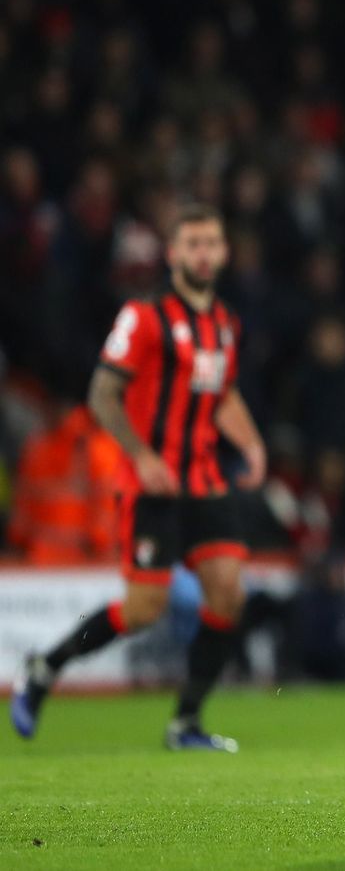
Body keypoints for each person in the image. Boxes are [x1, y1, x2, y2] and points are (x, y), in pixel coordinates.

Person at [10, 204, 267, 752]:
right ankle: (45, 666)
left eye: (211, 243)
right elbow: (103, 393)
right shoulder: (144, 317)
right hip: (150, 485)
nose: (203, 253)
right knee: (144, 609)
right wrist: (142, 455)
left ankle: (185, 724)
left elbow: (221, 395)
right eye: (192, 243)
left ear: (223, 253)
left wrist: (250, 442)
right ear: (173, 254)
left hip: (202, 481)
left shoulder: (225, 325)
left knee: (228, 594)